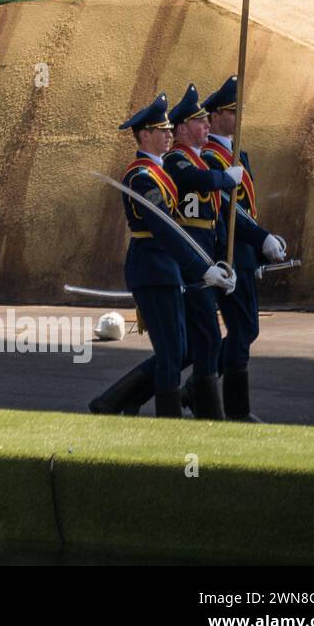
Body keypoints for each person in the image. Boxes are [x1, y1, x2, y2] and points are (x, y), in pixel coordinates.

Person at [91, 93, 234, 418]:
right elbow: (165, 228)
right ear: (145, 135)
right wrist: (202, 269)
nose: (170, 134)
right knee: (172, 351)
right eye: (162, 129)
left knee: (181, 348)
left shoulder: (159, 173)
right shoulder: (142, 178)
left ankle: (120, 401)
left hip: (166, 269)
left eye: (171, 129)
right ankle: (168, 422)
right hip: (152, 268)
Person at [201, 76, 287, 421]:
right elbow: (226, 206)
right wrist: (261, 236)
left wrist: (264, 239)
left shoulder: (238, 153)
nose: (239, 117)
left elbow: (246, 208)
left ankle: (200, 389)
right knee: (243, 328)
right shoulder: (209, 156)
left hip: (245, 251)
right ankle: (235, 409)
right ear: (217, 115)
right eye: (234, 111)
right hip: (228, 251)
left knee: (245, 328)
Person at [163, 83, 242, 420]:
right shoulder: (177, 160)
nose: (206, 125)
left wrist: (226, 262)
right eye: (199, 121)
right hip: (188, 261)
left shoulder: (197, 159)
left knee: (200, 341)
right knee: (202, 339)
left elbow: (214, 220)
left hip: (205, 258)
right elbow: (200, 182)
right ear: (181, 129)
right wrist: (225, 178)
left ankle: (119, 396)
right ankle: (207, 409)